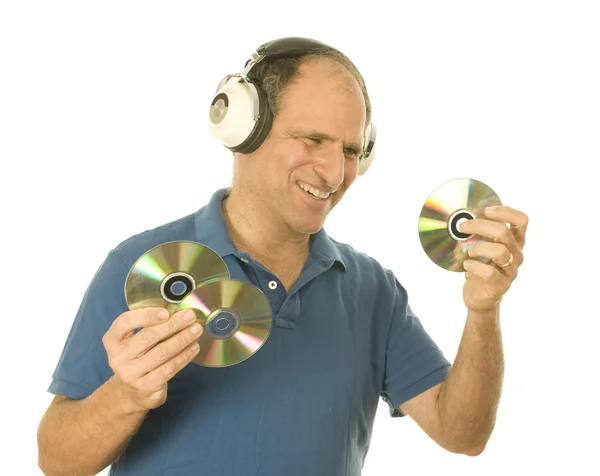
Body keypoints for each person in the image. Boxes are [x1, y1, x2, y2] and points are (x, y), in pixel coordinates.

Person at [37, 37, 529, 476]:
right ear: (244, 128)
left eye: (353, 151)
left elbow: (462, 434)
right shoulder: (144, 264)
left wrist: (483, 311)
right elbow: (55, 461)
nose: (335, 172)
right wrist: (124, 396)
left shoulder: (373, 290)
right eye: (313, 139)